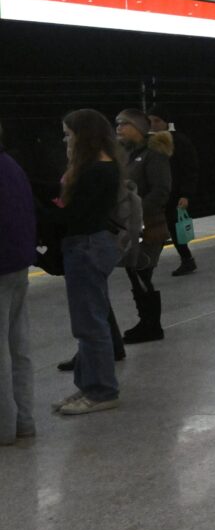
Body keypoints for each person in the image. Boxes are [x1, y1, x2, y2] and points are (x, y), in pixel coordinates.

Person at [41, 110, 125, 416]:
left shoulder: (96, 171)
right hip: (90, 245)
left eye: (69, 134)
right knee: (88, 321)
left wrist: (36, 211)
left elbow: (73, 215)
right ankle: (89, 385)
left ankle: (102, 391)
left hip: (86, 247)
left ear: (83, 136)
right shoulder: (102, 166)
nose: (66, 141)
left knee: (90, 324)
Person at [115, 110, 172, 345]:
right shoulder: (128, 154)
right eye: (117, 124)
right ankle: (146, 322)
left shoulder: (153, 155)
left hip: (149, 226)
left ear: (138, 127)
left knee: (141, 273)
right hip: (132, 227)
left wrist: (136, 212)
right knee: (135, 273)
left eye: (124, 124)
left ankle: (152, 325)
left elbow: (161, 190)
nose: (118, 128)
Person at [1, 120, 36, 443]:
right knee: (18, 345)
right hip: (17, 264)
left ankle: (3, 427)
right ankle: (24, 420)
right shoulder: (12, 166)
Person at [146, 109, 200, 277]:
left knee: (172, 229)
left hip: (173, 194)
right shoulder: (149, 142)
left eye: (157, 121)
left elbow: (189, 169)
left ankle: (184, 259)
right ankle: (185, 260)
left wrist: (185, 194)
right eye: (150, 121)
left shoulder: (179, 141)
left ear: (165, 122)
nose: (153, 125)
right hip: (159, 194)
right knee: (161, 229)